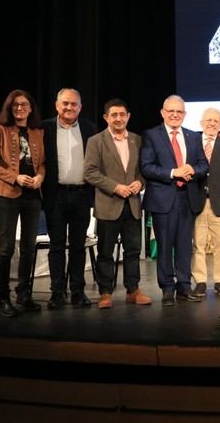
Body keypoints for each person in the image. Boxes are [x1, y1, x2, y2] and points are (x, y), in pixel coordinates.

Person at [140, 95, 208, 305]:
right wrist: (173, 172)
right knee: (165, 244)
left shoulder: (193, 136)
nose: (175, 115)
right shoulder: (152, 135)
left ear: (185, 114)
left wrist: (192, 170)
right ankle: (167, 288)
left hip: (187, 198)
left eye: (179, 112)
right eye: (171, 111)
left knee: (184, 246)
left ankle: (184, 286)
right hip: (163, 198)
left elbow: (203, 165)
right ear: (163, 113)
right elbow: (146, 167)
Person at [83, 99, 151, 309]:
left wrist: (140, 181)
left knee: (133, 250)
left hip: (132, 204)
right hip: (108, 204)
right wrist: (115, 187)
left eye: (122, 114)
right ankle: (105, 293)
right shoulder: (96, 141)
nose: (119, 118)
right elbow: (90, 173)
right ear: (106, 118)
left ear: (128, 116)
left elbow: (145, 169)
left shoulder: (138, 140)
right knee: (105, 252)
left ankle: (133, 290)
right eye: (114, 115)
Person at [0, 90, 45, 317]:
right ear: (10, 108)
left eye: (24, 105)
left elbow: (43, 163)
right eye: (15, 105)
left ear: (30, 108)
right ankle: (3, 296)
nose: (20, 109)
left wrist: (40, 177)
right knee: (6, 248)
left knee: (29, 249)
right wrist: (14, 177)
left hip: (32, 197)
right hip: (6, 195)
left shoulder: (37, 131)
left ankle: (24, 295)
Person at [42, 88, 96, 309]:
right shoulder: (44, 128)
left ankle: (78, 291)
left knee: (77, 246)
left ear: (80, 107)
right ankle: (57, 292)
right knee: (56, 246)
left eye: (74, 104)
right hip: (56, 196)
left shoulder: (89, 128)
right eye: (65, 103)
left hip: (82, 195)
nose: (69, 107)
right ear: (57, 105)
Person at [191, 108, 220, 298]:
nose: (211, 123)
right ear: (202, 122)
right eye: (208, 120)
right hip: (197, 203)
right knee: (198, 245)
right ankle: (200, 282)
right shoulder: (192, 143)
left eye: (215, 121)